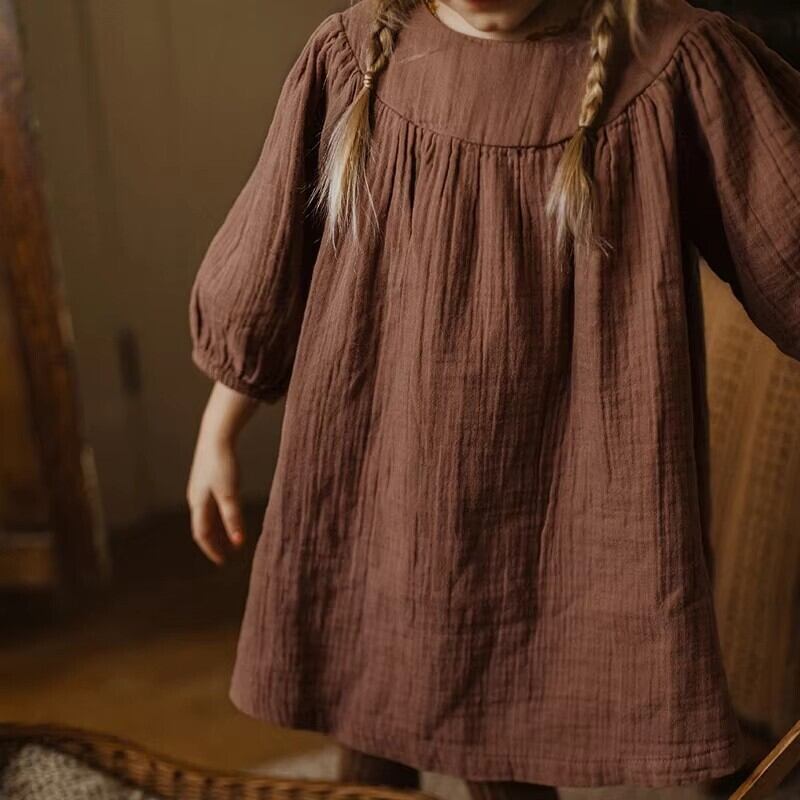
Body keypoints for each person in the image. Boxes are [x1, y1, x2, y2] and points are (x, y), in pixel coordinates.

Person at [186, 0, 800, 796]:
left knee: (509, 729)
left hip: (545, 518)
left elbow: (786, 238)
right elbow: (268, 260)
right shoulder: (352, 55)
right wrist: (218, 430)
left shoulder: (670, 64)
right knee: (367, 710)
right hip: (376, 481)